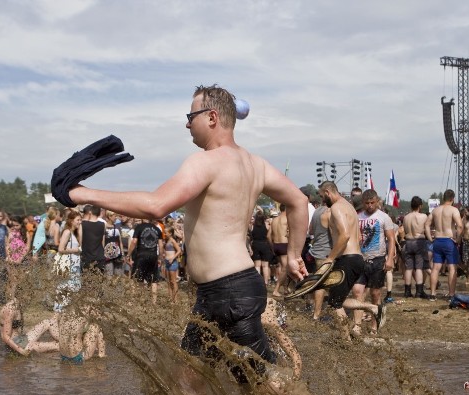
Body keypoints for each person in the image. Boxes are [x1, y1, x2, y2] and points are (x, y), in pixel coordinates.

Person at [61, 84, 308, 370]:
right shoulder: (256, 164)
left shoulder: (206, 162)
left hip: (229, 292)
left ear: (212, 117)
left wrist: (83, 194)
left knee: (268, 383)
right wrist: (293, 255)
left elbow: (156, 206)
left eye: (191, 116)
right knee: (189, 378)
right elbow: (299, 201)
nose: (187, 123)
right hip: (224, 291)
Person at [319, 180, 386, 340]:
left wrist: (330, 258)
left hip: (347, 259)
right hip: (356, 258)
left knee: (334, 303)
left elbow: (345, 235)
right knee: (337, 300)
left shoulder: (337, 208)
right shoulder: (349, 206)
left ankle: (347, 341)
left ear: (328, 192)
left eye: (323, 196)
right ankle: (370, 309)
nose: (323, 200)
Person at [353, 189, 397, 326]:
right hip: (361, 259)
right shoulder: (357, 217)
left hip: (378, 260)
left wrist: (389, 259)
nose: (370, 205)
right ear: (363, 203)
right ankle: (357, 324)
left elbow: (391, 239)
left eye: (372, 203)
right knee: (357, 291)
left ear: (377, 202)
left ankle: (374, 324)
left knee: (375, 294)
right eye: (367, 203)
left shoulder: (384, 217)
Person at [425, 189, 462, 300]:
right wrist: (458, 239)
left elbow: (427, 225)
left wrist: (430, 238)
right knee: (452, 268)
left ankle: (432, 294)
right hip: (449, 240)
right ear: (452, 199)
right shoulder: (453, 210)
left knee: (435, 268)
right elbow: (460, 226)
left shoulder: (435, 210)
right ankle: (451, 295)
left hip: (437, 240)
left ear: (443, 198)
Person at [127, 217, 163, 302]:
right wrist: (160, 258)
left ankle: (136, 300)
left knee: (137, 278)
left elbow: (134, 241)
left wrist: (128, 254)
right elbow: (161, 245)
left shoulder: (139, 227)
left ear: (143, 218)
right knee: (153, 280)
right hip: (153, 256)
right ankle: (154, 302)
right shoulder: (157, 229)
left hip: (141, 255)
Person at [402, 196, 430, 299]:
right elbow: (426, 230)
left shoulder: (406, 217)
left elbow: (405, 230)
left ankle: (407, 291)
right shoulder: (423, 216)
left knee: (408, 268)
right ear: (420, 206)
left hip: (408, 241)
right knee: (419, 267)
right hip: (419, 241)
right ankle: (419, 291)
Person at [270, 205, 290, 297]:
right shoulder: (287, 219)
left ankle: (285, 289)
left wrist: (272, 247)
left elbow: (268, 235)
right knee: (285, 268)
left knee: (283, 268)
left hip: (276, 245)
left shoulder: (274, 220)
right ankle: (276, 289)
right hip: (284, 244)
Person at [250, 210, 274, 285]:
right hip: (264, 245)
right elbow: (269, 235)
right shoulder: (267, 225)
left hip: (255, 245)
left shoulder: (252, 226)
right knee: (265, 266)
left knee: (257, 265)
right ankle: (266, 282)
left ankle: (257, 282)